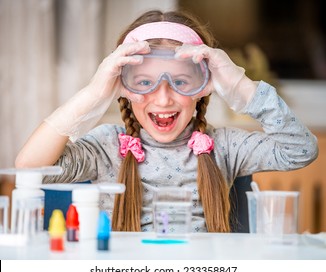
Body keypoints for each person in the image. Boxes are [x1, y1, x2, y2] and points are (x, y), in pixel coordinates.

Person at [15, 10, 318, 233]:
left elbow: (300, 150)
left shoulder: (225, 146)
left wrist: (241, 87)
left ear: (203, 88)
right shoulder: (107, 146)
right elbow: (30, 169)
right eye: (144, 83)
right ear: (124, 89)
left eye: (181, 82)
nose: (162, 99)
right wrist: (93, 93)